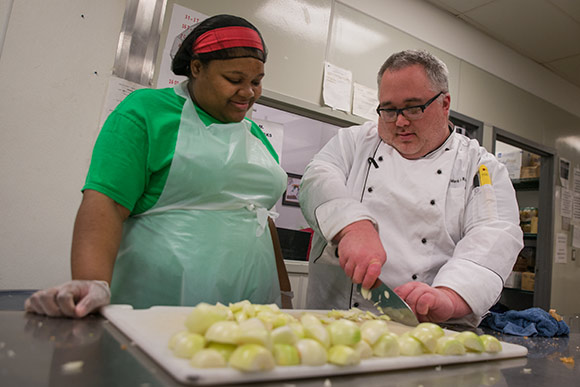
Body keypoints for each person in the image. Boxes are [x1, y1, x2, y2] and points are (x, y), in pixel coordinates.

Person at [25, 15, 288, 318]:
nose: (249, 93)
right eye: (234, 80)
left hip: (253, 305)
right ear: (197, 68)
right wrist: (91, 281)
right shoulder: (147, 112)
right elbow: (106, 202)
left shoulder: (254, 135)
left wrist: (285, 295)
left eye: (256, 82)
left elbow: (261, 217)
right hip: (161, 302)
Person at [299, 49, 523, 326]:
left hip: (428, 329)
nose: (401, 121)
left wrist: (450, 296)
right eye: (389, 110)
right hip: (337, 321)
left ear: (445, 104)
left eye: (414, 107)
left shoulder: (477, 165)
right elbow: (317, 178)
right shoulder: (354, 142)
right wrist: (352, 226)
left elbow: (494, 236)